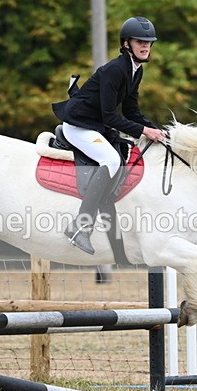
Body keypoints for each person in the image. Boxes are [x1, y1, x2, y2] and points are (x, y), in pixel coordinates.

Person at [52, 16, 167, 255]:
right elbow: (108, 117)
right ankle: (80, 227)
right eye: (139, 42)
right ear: (126, 44)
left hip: (93, 125)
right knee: (112, 161)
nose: (145, 46)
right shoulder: (115, 70)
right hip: (79, 125)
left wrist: (158, 131)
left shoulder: (136, 70)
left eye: (148, 42)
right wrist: (145, 131)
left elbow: (132, 111)